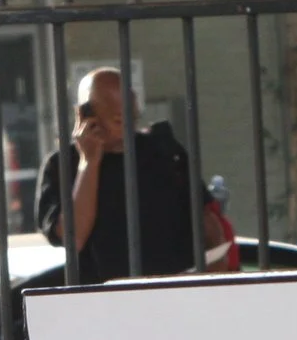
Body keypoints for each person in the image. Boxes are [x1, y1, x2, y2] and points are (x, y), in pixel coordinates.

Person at [32, 67, 199, 283]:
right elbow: (72, 238)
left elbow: (203, 216)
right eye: (119, 120)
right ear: (87, 115)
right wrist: (89, 161)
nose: (129, 127)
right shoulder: (62, 165)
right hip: (103, 302)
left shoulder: (163, 151)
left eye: (133, 116)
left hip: (171, 294)